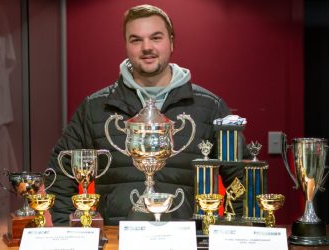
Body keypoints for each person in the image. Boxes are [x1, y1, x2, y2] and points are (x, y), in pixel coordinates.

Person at [45, 4, 242, 226]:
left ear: (172, 42)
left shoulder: (210, 107)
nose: (146, 47)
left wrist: (238, 234)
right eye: (136, 40)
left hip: (188, 241)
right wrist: (64, 230)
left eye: (156, 37)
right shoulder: (94, 108)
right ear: (126, 46)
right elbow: (60, 175)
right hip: (116, 239)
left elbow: (240, 178)